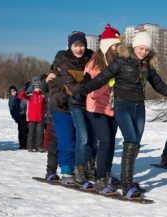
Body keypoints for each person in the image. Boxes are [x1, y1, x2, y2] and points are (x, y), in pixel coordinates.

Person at [80, 31, 167, 198]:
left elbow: (160, 86)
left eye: (146, 49)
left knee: (135, 143)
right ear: (134, 47)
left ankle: (128, 181)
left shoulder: (147, 67)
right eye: (141, 48)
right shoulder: (120, 61)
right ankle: (124, 185)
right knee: (131, 139)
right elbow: (101, 79)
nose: (143, 52)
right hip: (122, 105)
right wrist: (83, 90)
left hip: (139, 107)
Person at [84, 24, 122, 193]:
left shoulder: (115, 62)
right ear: (107, 45)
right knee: (105, 140)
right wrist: (109, 84)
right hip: (95, 108)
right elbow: (92, 93)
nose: (117, 49)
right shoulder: (94, 64)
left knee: (111, 142)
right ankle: (99, 177)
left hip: (111, 108)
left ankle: (106, 173)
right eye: (115, 46)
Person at [59, 31, 96, 186]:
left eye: (81, 45)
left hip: (91, 103)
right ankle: (79, 169)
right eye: (75, 45)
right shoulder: (65, 61)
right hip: (76, 104)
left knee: (93, 140)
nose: (79, 49)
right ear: (70, 46)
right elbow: (71, 87)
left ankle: (90, 168)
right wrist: (86, 83)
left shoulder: (92, 57)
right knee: (83, 136)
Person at [49, 50, 75, 181]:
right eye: (60, 65)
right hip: (60, 112)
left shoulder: (72, 76)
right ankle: (63, 169)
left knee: (76, 141)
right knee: (64, 142)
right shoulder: (53, 78)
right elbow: (56, 99)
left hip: (75, 112)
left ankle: (75, 168)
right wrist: (67, 90)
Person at [24, 77, 45, 152]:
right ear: (33, 88)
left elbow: (44, 106)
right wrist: (26, 89)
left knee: (40, 133)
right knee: (31, 133)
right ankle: (30, 147)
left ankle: (39, 146)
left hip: (39, 118)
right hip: (31, 118)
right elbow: (20, 96)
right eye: (36, 87)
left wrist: (43, 114)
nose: (37, 89)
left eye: (38, 87)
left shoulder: (42, 96)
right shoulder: (30, 95)